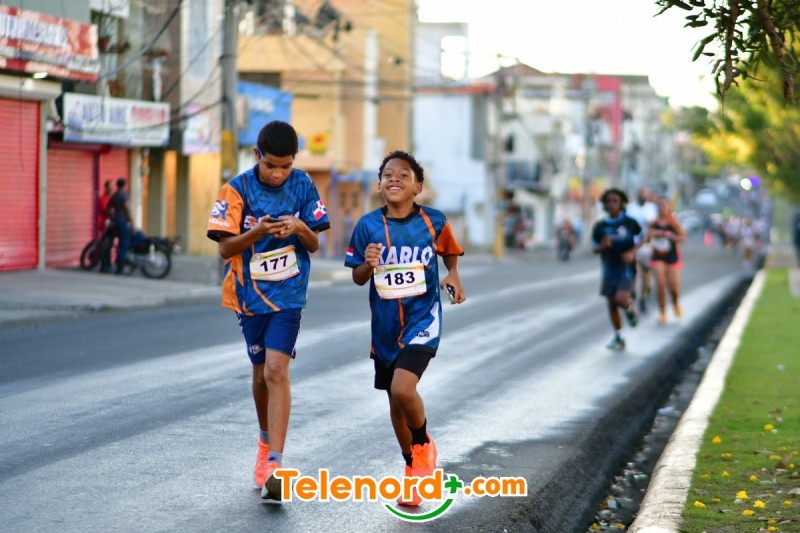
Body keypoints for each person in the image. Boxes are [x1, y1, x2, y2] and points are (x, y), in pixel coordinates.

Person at [206, 121, 330, 502]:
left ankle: (276, 464)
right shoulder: (236, 189)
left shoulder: (303, 185)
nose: (278, 174)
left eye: (285, 166)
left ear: (295, 160)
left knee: (277, 369)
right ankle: (264, 444)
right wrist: (257, 232)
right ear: (257, 155)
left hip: (289, 293)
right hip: (249, 295)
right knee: (260, 374)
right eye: (271, 165)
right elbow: (225, 249)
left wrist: (298, 226)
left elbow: (314, 243)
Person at [344, 150, 466, 507]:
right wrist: (368, 265)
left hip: (422, 319)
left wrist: (453, 274)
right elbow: (357, 277)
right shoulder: (367, 226)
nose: (394, 179)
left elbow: (449, 250)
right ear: (379, 185)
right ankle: (413, 468)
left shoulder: (435, 221)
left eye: (403, 175)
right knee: (395, 401)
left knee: (403, 387)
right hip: (384, 328)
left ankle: (424, 444)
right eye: (388, 175)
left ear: (418, 187)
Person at [591, 188, 642, 351]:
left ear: (622, 204)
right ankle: (619, 337)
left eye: (615, 201)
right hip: (608, 267)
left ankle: (630, 308)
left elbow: (643, 238)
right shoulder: (600, 226)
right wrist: (602, 246)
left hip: (625, 267)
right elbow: (593, 248)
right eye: (608, 201)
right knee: (612, 304)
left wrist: (632, 253)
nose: (611, 204)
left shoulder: (630, 223)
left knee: (620, 299)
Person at [647, 196, 686, 325]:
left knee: (673, 287)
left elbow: (683, 238)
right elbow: (646, 238)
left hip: (672, 256)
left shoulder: (673, 222)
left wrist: (672, 236)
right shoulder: (653, 222)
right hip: (657, 256)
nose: (661, 208)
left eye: (664, 205)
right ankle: (662, 312)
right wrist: (652, 235)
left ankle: (675, 303)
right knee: (660, 284)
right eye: (659, 205)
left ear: (669, 207)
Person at [624, 187, 658, 312]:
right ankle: (632, 294)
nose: (643, 196)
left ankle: (644, 296)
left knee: (646, 273)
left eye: (645, 194)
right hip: (632, 245)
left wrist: (648, 238)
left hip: (646, 246)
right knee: (633, 271)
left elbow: (653, 227)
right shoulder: (630, 208)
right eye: (641, 193)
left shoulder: (651, 208)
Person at [106, 178, 134, 275]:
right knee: (123, 245)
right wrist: (133, 223)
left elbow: (107, 209)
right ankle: (120, 269)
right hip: (123, 223)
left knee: (115, 244)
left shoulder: (114, 196)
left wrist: (112, 216)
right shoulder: (124, 196)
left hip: (114, 223)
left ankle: (114, 265)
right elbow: (128, 209)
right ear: (124, 185)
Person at [97, 180, 114, 273]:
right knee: (105, 245)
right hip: (104, 225)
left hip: (110, 225)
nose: (112, 188)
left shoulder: (110, 198)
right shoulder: (103, 199)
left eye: (112, 186)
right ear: (106, 187)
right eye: (110, 186)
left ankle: (108, 264)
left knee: (109, 245)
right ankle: (104, 265)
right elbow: (105, 211)